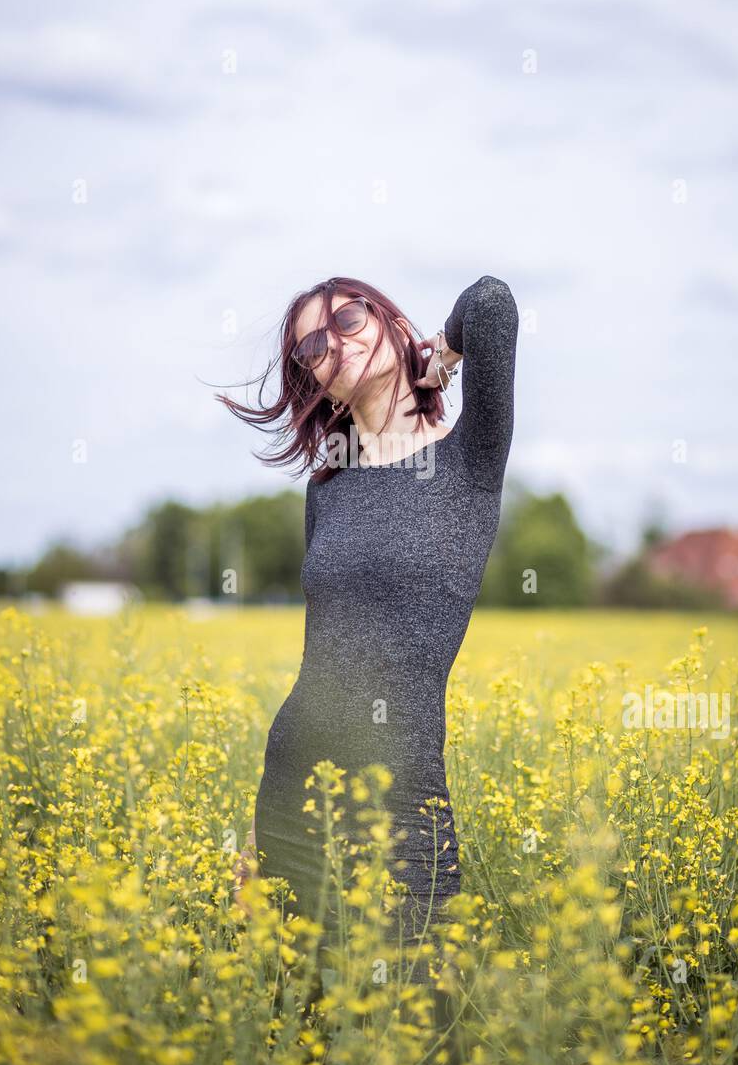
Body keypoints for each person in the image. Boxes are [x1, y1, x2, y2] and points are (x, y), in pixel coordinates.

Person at [221, 273, 518, 997]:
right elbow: (317, 658)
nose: (335, 343)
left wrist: (441, 354)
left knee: (420, 1029)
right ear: (315, 386)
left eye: (349, 317)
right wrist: (257, 840)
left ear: (391, 321)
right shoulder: (328, 490)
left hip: (403, 796)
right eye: (312, 349)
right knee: (309, 1025)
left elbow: (491, 303)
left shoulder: (469, 459)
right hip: (294, 789)